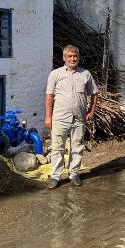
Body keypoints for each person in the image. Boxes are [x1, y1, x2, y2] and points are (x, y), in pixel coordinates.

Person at [45, 45, 98, 189]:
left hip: (79, 118)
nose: (72, 59)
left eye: (75, 56)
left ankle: (74, 173)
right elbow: (49, 96)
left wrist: (91, 111)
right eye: (69, 56)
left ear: (78, 58)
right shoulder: (55, 74)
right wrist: (48, 117)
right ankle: (56, 176)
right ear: (64, 58)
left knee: (77, 146)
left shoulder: (85, 74)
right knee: (57, 148)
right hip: (60, 118)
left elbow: (94, 93)